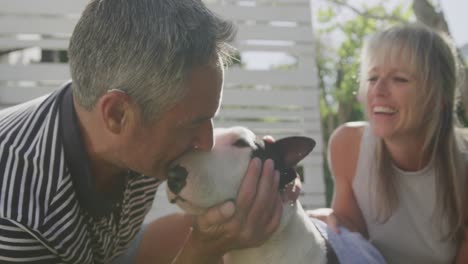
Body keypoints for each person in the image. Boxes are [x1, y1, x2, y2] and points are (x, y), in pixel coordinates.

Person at [0, 0, 298, 263]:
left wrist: (265, 177)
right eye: (192, 124)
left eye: (209, 119)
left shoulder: (121, 116)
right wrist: (200, 252)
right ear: (117, 114)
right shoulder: (18, 216)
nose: (205, 142)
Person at [308, 23, 468, 263]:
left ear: (439, 98)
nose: (378, 90)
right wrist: (326, 222)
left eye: (400, 79)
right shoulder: (348, 145)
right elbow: (353, 238)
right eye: (372, 77)